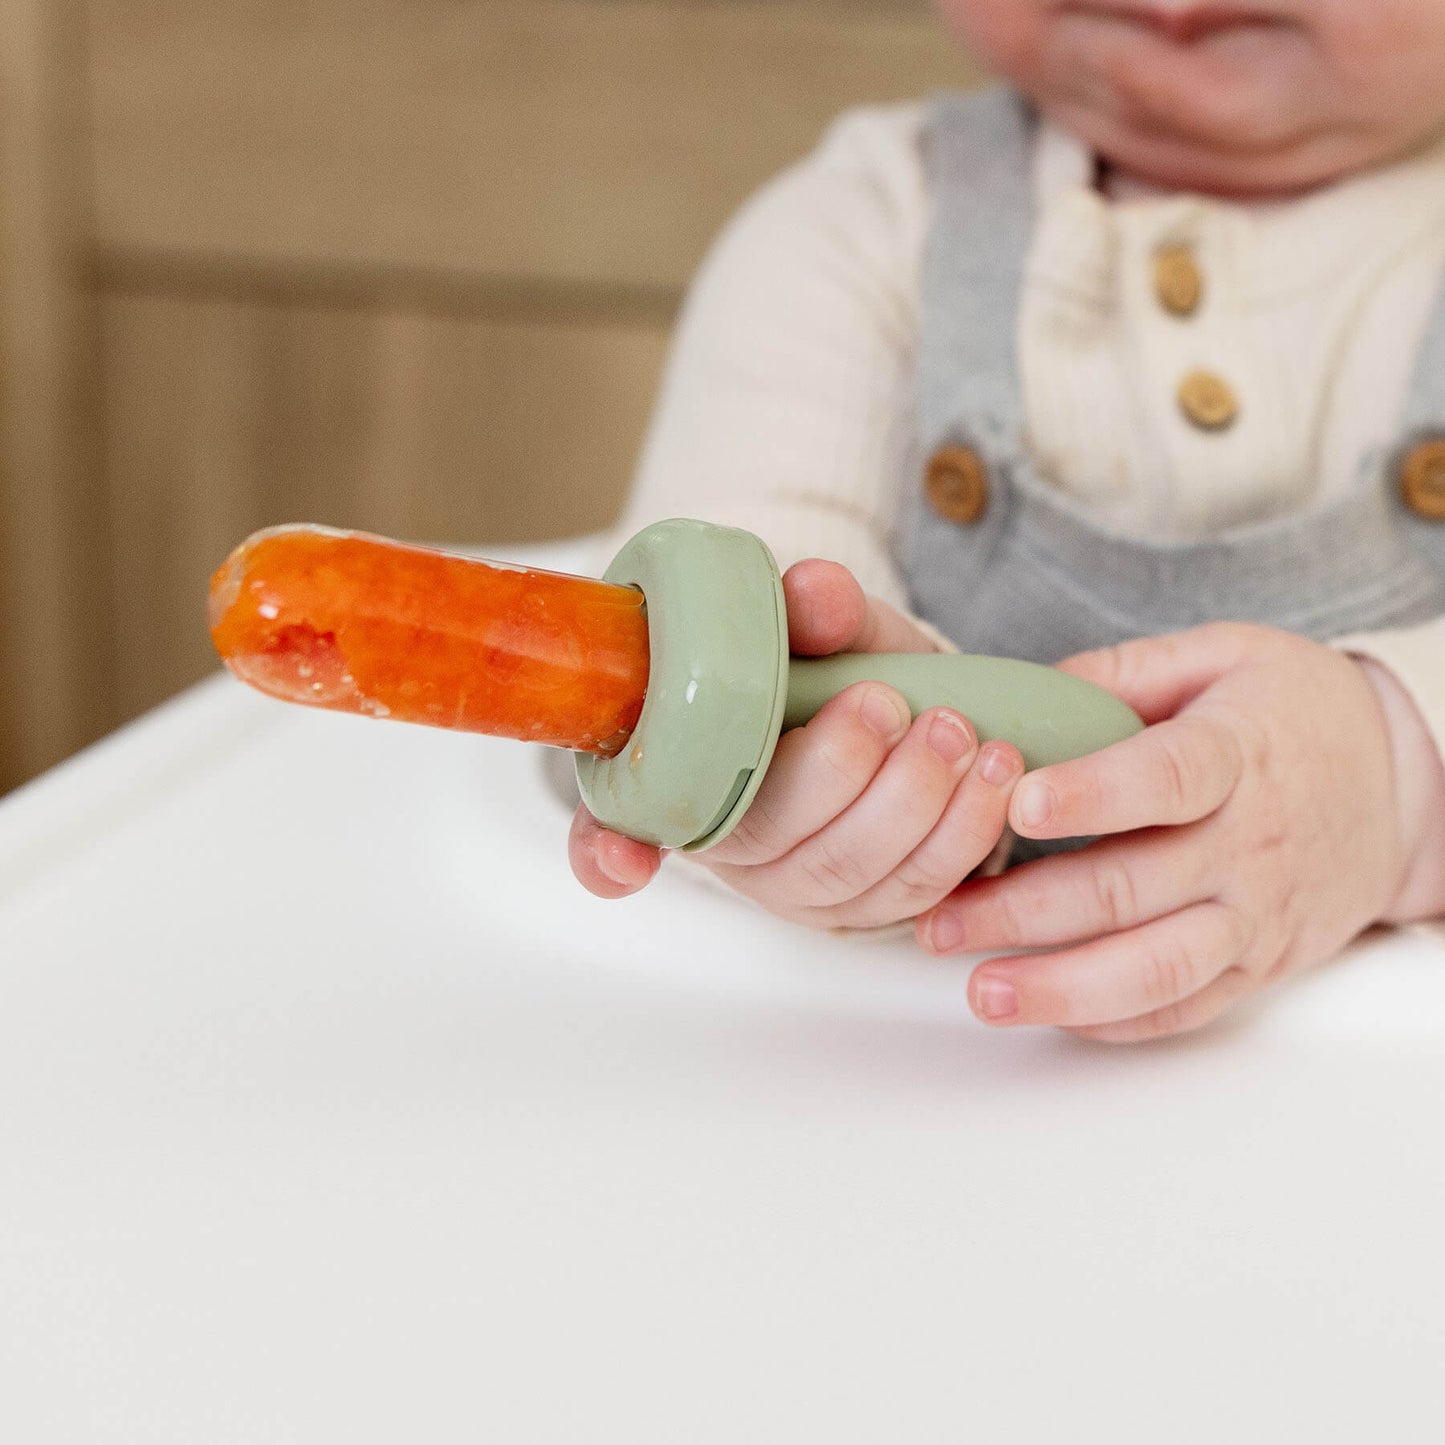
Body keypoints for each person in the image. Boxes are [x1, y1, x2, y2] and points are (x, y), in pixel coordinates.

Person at [568, 0, 1445, 1043]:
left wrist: (1395, 783)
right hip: (936, 1075)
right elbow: (716, 613)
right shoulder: (857, 231)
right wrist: (801, 795)